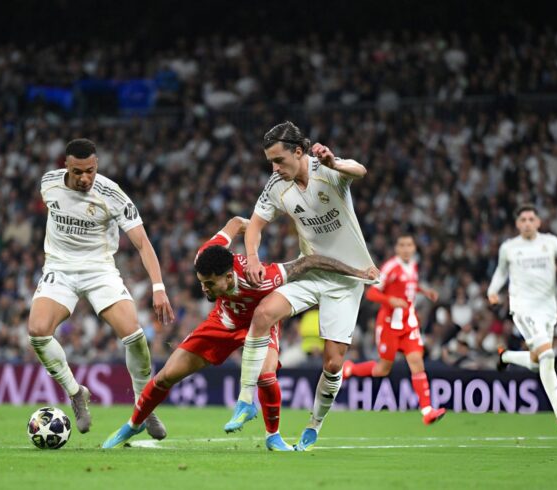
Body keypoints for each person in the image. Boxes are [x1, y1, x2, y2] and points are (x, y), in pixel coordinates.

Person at [102, 216, 378, 450]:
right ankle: (134, 424)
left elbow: (309, 262)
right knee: (165, 376)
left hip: (261, 322)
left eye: (210, 284)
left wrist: (356, 272)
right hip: (223, 321)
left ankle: (273, 436)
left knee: (266, 375)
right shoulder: (206, 255)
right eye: (202, 283)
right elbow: (234, 223)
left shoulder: (262, 277)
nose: (204, 289)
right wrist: (252, 225)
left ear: (229, 277)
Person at [226, 121, 378, 451]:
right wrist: (252, 258)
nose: (274, 168)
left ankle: (314, 424)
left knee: (333, 364)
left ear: (298, 152)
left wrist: (335, 162)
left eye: (279, 160)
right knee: (263, 313)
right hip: (309, 270)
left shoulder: (328, 170)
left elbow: (360, 170)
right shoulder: (276, 185)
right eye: (270, 162)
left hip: (348, 279)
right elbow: (255, 226)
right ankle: (245, 401)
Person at [28, 138, 174, 439]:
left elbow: (142, 243)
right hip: (60, 268)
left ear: (97, 166)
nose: (85, 178)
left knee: (134, 335)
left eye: (90, 171)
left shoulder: (112, 194)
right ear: (66, 166)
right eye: (78, 171)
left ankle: (144, 405)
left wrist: (158, 286)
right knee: (38, 332)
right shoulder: (49, 183)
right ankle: (76, 392)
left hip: (99, 270)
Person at [487, 204, 557, 427]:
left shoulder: (551, 242)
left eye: (531, 219)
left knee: (536, 362)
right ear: (517, 224)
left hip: (547, 309)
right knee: (547, 355)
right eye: (523, 220)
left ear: (538, 222)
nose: (527, 223)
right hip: (523, 308)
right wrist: (492, 291)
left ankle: (505, 357)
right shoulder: (509, 247)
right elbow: (501, 272)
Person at [342, 234, 446, 425]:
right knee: (383, 369)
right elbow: (372, 293)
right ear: (397, 249)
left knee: (417, 362)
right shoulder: (390, 267)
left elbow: (409, 286)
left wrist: (425, 291)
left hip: (409, 324)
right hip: (389, 325)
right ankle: (351, 369)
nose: (406, 249)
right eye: (402, 245)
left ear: (414, 248)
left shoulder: (413, 265)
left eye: (409, 245)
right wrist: (390, 300)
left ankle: (427, 411)